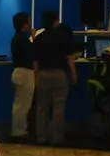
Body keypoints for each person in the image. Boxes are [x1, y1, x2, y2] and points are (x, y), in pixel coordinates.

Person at [33, 9, 76, 147]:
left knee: (41, 108)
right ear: (56, 21)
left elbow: (36, 61)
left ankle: (41, 137)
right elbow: (69, 57)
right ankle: (57, 138)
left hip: (43, 74)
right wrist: (73, 74)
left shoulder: (39, 38)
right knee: (58, 107)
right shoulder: (62, 36)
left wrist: (36, 76)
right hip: (59, 74)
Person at [10, 12, 36, 139]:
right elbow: (31, 55)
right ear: (24, 24)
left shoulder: (16, 38)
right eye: (28, 21)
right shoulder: (23, 39)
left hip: (18, 72)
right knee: (23, 105)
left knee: (20, 104)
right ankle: (19, 131)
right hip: (24, 73)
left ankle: (19, 129)